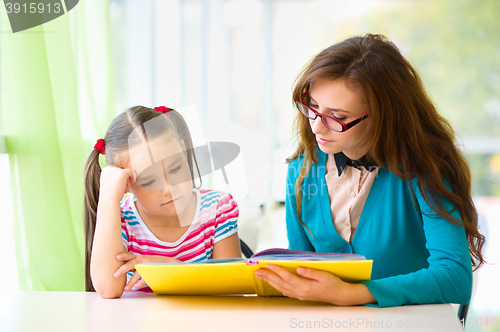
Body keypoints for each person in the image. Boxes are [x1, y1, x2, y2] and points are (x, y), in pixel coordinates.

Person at [255, 34, 485, 307]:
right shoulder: (302, 169)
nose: (316, 127)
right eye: (314, 108)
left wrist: (352, 294)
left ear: (384, 114)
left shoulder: (424, 168)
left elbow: (455, 279)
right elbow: (301, 272)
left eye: (337, 117)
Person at [84, 106, 241, 298]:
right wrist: (108, 197)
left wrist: (171, 269)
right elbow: (108, 288)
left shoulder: (217, 209)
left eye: (175, 169)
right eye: (149, 181)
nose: (169, 188)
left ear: (184, 151)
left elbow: (232, 290)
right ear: (126, 184)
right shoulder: (121, 221)